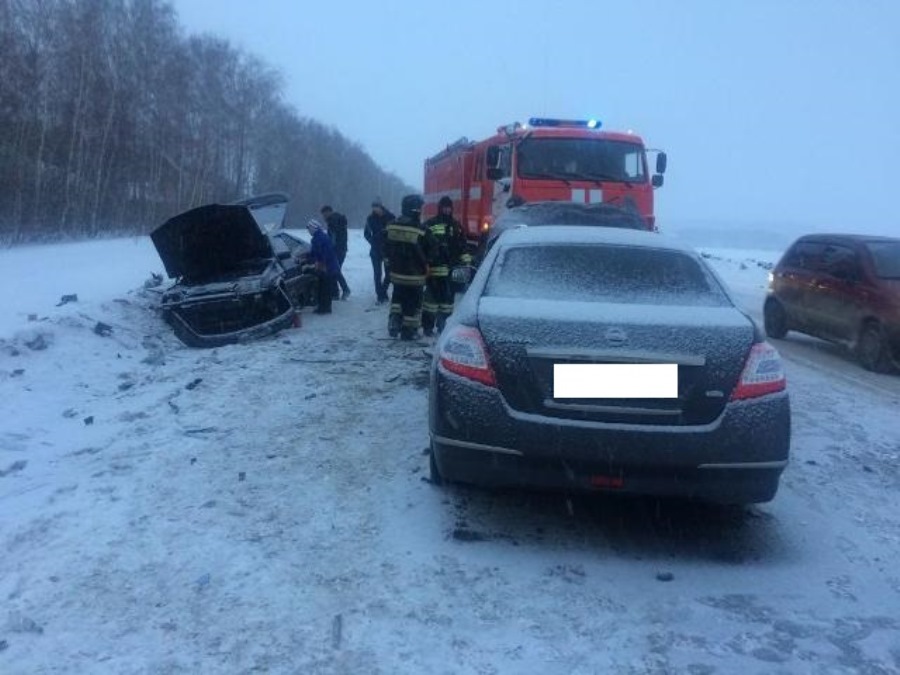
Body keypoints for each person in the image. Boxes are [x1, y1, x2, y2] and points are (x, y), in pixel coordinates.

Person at [382, 194, 433, 340]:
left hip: (396, 273)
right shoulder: (421, 229)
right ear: (416, 210)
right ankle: (408, 331)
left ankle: (394, 320)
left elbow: (383, 244)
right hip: (415, 275)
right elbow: (433, 248)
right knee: (414, 302)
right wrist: (427, 262)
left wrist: (389, 260)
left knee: (397, 298)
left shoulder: (391, 225)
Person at [421, 195, 466, 336]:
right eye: (444, 207)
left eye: (449, 207)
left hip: (451, 271)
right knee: (430, 301)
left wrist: (464, 263)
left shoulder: (456, 226)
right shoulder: (430, 224)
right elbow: (423, 246)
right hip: (434, 271)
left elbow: (462, 247)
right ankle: (428, 327)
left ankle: (443, 325)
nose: (447, 210)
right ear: (440, 208)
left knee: (447, 302)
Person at [305, 218, 340, 314]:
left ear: (313, 228)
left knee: (324, 288)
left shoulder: (319, 238)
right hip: (328, 266)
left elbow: (323, 253)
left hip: (326, 267)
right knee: (324, 288)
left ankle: (324, 308)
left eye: (309, 229)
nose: (308, 231)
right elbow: (315, 253)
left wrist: (320, 263)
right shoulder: (320, 237)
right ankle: (325, 308)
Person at [363, 198, 395, 303]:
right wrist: (373, 241)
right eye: (373, 208)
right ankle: (380, 296)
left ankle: (383, 291)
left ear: (381, 207)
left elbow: (395, 233)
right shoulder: (370, 218)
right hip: (375, 251)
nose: (375, 209)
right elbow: (366, 234)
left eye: (377, 207)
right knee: (377, 274)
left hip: (388, 251)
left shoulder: (391, 217)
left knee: (389, 274)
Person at [320, 205, 350, 300]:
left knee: (334, 271)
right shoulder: (338, 219)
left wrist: (330, 248)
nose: (323, 217)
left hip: (337, 250)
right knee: (334, 271)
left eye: (324, 214)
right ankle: (335, 293)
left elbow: (333, 238)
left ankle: (344, 290)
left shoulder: (332, 221)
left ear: (328, 212)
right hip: (342, 249)